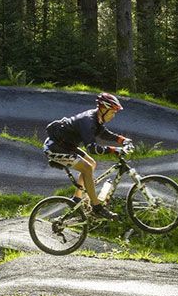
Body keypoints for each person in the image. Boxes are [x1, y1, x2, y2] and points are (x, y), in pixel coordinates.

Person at [43, 92, 134, 220]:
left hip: (67, 146)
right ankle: (97, 207)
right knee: (86, 168)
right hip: (54, 148)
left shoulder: (95, 118)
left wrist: (123, 140)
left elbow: (104, 133)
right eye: (112, 112)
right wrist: (115, 150)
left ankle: (77, 198)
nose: (114, 116)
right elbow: (92, 148)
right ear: (103, 109)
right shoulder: (88, 121)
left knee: (92, 164)